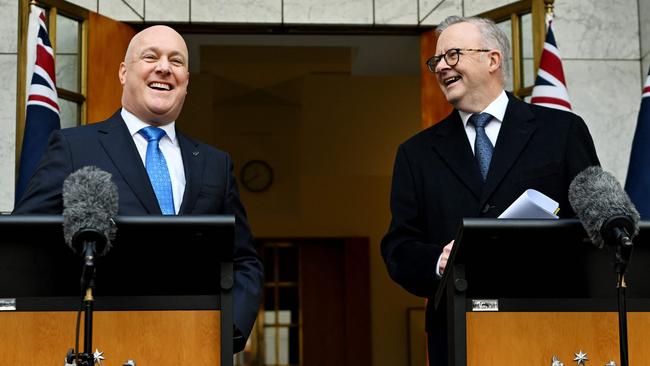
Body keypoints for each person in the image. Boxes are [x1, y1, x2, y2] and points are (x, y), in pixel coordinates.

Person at [13, 25, 263, 353]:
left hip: (193, 347)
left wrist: (228, 328)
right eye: (150, 56)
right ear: (123, 72)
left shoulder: (215, 163)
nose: (163, 67)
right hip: (102, 343)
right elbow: (24, 245)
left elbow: (244, 260)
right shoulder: (74, 147)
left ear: (186, 81)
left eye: (176, 61)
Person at [381, 16, 599, 365]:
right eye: (436, 60)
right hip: (459, 333)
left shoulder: (562, 131)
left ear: (492, 60)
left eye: (452, 56)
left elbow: (594, 226)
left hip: (552, 324)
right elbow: (398, 247)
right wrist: (437, 260)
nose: (441, 67)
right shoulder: (415, 154)